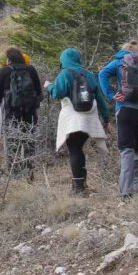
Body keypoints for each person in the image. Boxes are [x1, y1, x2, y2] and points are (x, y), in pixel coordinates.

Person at [48, 47, 110, 195]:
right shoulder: (88, 74)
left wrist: (49, 86)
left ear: (63, 59)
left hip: (73, 119)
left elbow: (57, 93)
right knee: (79, 149)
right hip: (89, 118)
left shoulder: (65, 73)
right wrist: (106, 118)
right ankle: (82, 183)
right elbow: (100, 98)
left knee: (74, 150)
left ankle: (78, 187)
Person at [99, 40, 138, 199]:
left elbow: (102, 74)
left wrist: (110, 93)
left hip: (124, 108)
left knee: (126, 149)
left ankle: (126, 191)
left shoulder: (120, 61)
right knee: (137, 149)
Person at [0, 47, 43, 179]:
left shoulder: (4, 71)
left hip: (12, 114)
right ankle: (29, 173)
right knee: (29, 144)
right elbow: (39, 92)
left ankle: (15, 176)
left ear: (9, 59)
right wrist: (33, 105)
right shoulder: (30, 69)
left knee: (13, 145)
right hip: (29, 114)